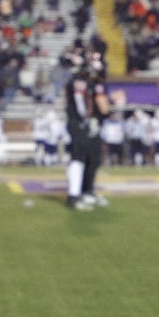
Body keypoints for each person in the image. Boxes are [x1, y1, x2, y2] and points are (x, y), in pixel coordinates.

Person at [65, 52, 110, 210]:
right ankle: (73, 196)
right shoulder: (79, 81)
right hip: (79, 123)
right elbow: (80, 104)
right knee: (78, 158)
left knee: (93, 158)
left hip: (89, 124)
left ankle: (87, 192)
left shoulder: (92, 82)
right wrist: (86, 119)